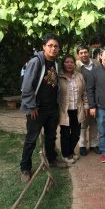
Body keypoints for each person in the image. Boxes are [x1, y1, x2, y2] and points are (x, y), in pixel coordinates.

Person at [20, 33, 64, 182]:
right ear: (44, 47)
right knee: (31, 139)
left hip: (52, 108)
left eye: (56, 46)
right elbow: (26, 87)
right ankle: (25, 168)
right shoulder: (36, 62)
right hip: (37, 109)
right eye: (50, 45)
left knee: (51, 136)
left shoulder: (56, 63)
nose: (53, 48)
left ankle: (52, 159)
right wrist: (31, 107)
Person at [59, 54, 89, 164]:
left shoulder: (79, 76)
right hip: (64, 110)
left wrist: (86, 106)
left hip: (77, 109)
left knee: (76, 134)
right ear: (63, 64)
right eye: (67, 62)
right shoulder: (59, 77)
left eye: (71, 62)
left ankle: (70, 151)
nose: (69, 64)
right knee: (65, 134)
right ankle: (66, 155)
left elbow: (84, 93)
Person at [75, 44, 100, 156]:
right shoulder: (76, 66)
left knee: (94, 123)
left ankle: (94, 144)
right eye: (81, 53)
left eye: (85, 52)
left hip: (96, 98)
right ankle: (82, 145)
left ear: (89, 53)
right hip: (82, 99)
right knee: (83, 124)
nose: (84, 55)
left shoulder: (96, 63)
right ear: (78, 55)